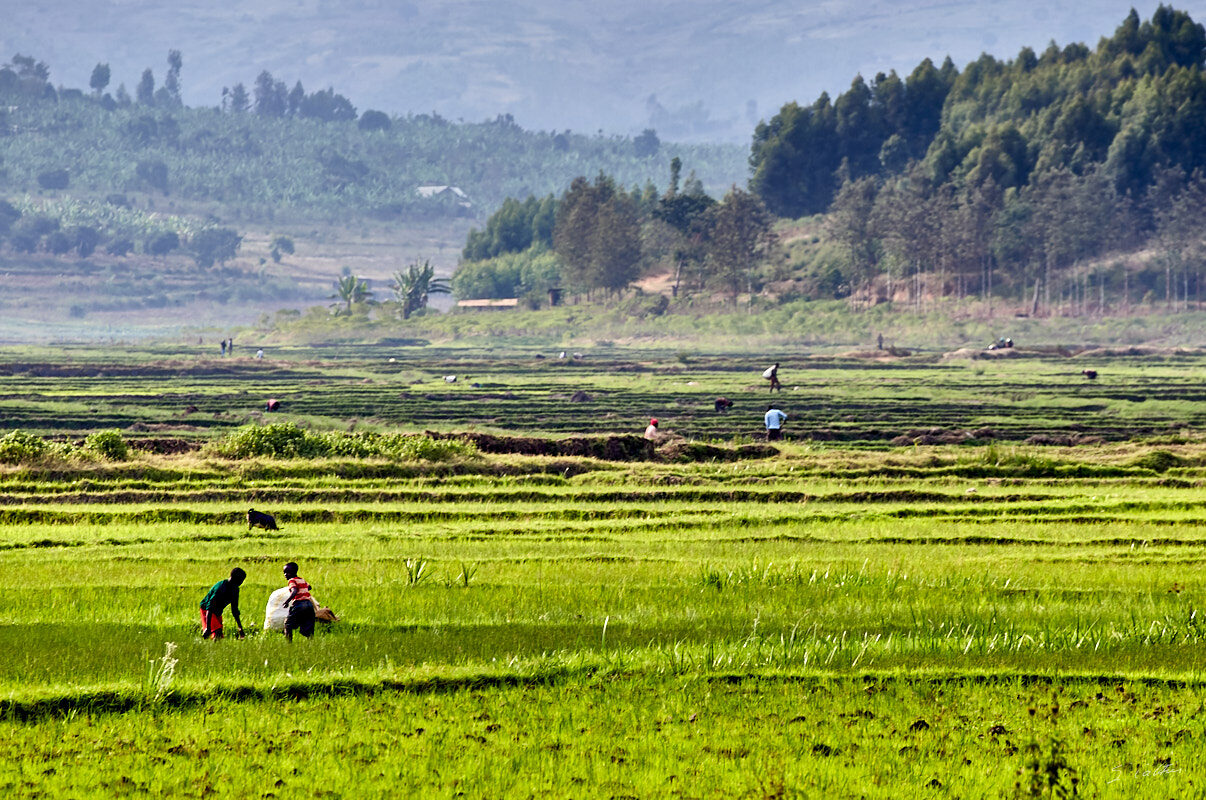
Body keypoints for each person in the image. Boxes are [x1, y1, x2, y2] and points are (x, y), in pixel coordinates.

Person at [200, 567, 246, 640]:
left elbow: (234, 610)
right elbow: (209, 607)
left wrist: (240, 627)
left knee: (219, 636)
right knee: (217, 631)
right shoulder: (220, 588)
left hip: (217, 612)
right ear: (235, 579)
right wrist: (208, 628)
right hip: (207, 610)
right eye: (241, 580)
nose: (241, 583)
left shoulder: (235, 589)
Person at [281, 561, 316, 643]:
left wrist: (287, 601)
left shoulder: (291, 581)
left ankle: (289, 644)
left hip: (299, 604)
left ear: (293, 572)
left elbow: (294, 591)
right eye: (284, 573)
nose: (285, 575)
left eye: (287, 572)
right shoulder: (302, 579)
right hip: (309, 604)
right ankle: (311, 643)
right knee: (308, 624)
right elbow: (309, 587)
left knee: (288, 624)